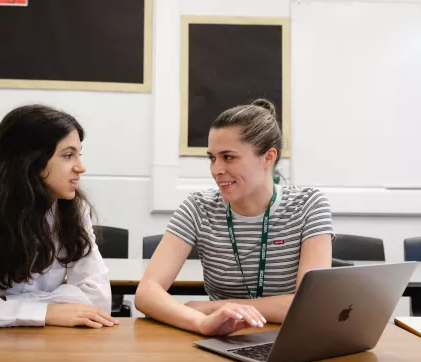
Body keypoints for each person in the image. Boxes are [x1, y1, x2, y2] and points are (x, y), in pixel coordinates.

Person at [135, 99, 333, 336]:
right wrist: (201, 322)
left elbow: (310, 306)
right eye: (212, 158)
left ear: (268, 157)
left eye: (228, 157)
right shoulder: (198, 207)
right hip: (223, 338)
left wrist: (215, 307)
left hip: (291, 340)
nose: (216, 169)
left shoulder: (308, 205)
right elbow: (147, 293)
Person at [0, 104, 117, 331]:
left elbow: (98, 299)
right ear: (32, 162)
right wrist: (48, 309)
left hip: (50, 341)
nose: (81, 167)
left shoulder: (74, 209)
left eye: (79, 154)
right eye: (68, 155)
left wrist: (6, 307)